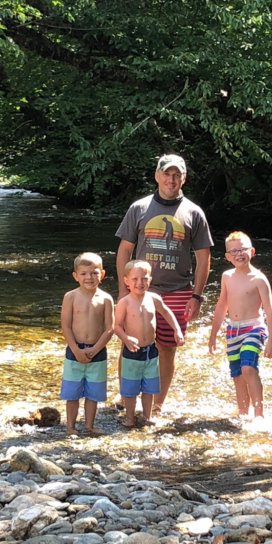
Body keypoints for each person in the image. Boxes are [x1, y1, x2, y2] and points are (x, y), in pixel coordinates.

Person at [115, 153, 213, 412]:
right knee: (131, 345)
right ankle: (127, 398)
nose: (171, 179)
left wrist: (197, 296)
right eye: (166, 174)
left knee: (168, 349)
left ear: (184, 178)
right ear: (157, 175)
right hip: (139, 290)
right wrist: (123, 290)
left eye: (176, 174)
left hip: (179, 291)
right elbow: (124, 251)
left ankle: (157, 404)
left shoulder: (194, 212)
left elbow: (204, 259)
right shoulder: (139, 208)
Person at [208, 231, 272, 420]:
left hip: (254, 327)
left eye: (243, 249)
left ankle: (259, 413)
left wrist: (271, 341)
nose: (239, 254)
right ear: (227, 257)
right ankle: (242, 411)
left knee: (248, 368)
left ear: (252, 251)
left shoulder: (258, 279)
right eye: (234, 251)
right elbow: (222, 305)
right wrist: (213, 334)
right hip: (233, 329)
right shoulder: (227, 276)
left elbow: (270, 311)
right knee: (237, 374)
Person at [114, 260, 184, 427]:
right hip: (132, 351)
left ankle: (147, 416)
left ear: (150, 280)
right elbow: (116, 326)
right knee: (130, 389)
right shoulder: (124, 302)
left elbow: (167, 313)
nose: (140, 283)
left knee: (149, 387)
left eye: (144, 279)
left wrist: (177, 330)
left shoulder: (154, 298)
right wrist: (126, 338)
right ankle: (129, 417)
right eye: (135, 279)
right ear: (126, 281)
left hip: (151, 350)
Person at [60, 252, 114, 437]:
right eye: (83, 273)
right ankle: (70, 427)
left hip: (97, 352)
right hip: (74, 351)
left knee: (93, 393)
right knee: (72, 393)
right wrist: (75, 349)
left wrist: (95, 349)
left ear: (102, 274)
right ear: (75, 276)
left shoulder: (106, 299)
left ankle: (89, 426)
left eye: (94, 273)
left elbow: (110, 328)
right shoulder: (71, 297)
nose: (89, 277)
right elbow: (65, 325)